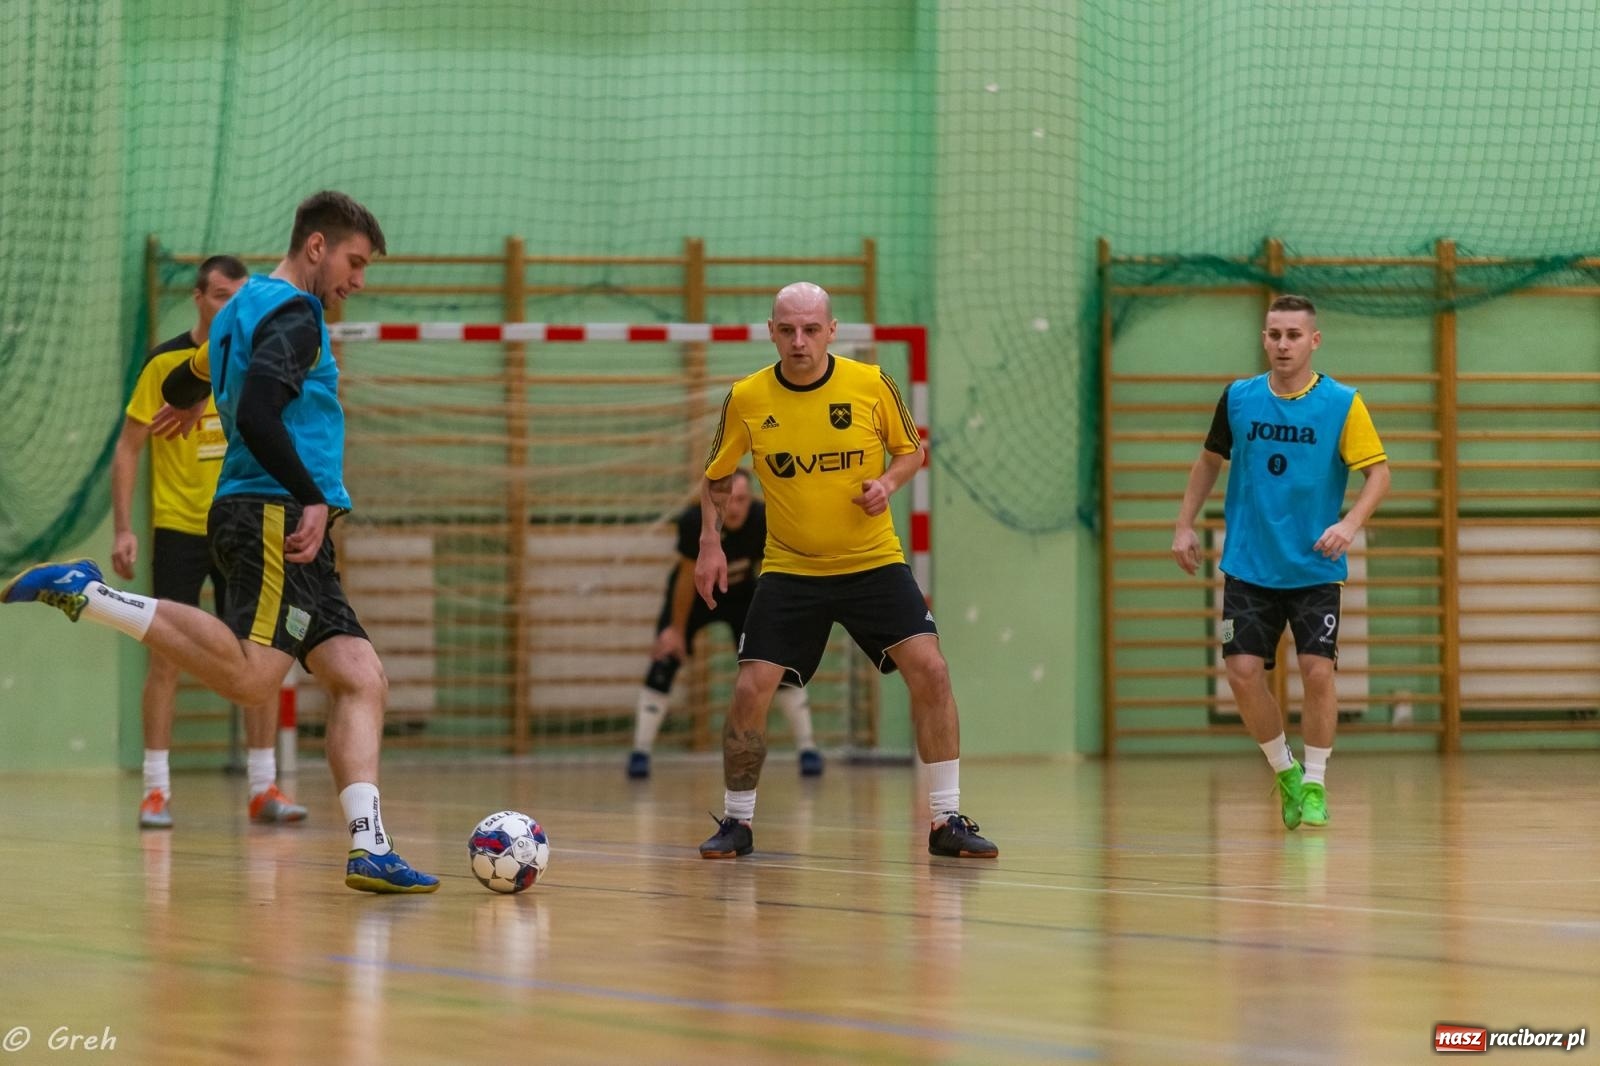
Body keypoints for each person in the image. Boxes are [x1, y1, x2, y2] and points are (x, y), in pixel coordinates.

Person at [4, 190, 438, 892]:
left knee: (361, 678)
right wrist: (314, 495)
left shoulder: (241, 308)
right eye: (354, 263)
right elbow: (264, 411)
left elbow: (186, 374)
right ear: (317, 247)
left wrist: (192, 397)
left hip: (268, 514)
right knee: (251, 678)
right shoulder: (295, 314)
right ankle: (93, 594)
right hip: (275, 512)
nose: (358, 281)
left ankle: (369, 847)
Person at [693, 281, 997, 860]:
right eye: (787, 330)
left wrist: (887, 482)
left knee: (931, 669)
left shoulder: (870, 383)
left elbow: (912, 450)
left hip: (872, 563)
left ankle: (946, 820)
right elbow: (717, 474)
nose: (799, 341)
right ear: (771, 331)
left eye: (811, 329)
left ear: (833, 330)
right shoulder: (747, 397)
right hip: (790, 569)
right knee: (752, 687)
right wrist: (711, 541)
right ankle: (737, 822)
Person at [1172, 294, 1390, 831]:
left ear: (1313, 340)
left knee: (1318, 672)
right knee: (1242, 673)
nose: (1282, 344)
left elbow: (1379, 475)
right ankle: (1284, 769)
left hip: (1314, 566)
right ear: (1264, 339)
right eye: (1274, 334)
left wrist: (1349, 524)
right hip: (1249, 564)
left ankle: (1315, 782)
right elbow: (1207, 463)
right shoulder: (1239, 399)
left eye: (1293, 335)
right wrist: (1184, 524)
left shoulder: (1342, 402)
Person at [112, 254, 308, 830]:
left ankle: (263, 786)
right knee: (167, 658)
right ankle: (155, 791)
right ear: (198, 297)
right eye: (220, 296)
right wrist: (124, 526)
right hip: (179, 527)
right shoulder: (166, 365)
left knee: (263, 658)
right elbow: (128, 447)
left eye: (237, 298)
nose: (230, 308)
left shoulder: (253, 361)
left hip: (244, 525)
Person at [627, 468, 822, 779]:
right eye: (729, 500)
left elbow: (774, 571)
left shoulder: (762, 519)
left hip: (742, 595)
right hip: (696, 596)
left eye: (742, 500)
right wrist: (676, 630)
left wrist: (780, 624)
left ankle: (808, 749)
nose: (735, 508)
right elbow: (685, 578)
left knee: (776, 663)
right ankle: (640, 752)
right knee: (665, 657)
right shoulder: (695, 521)